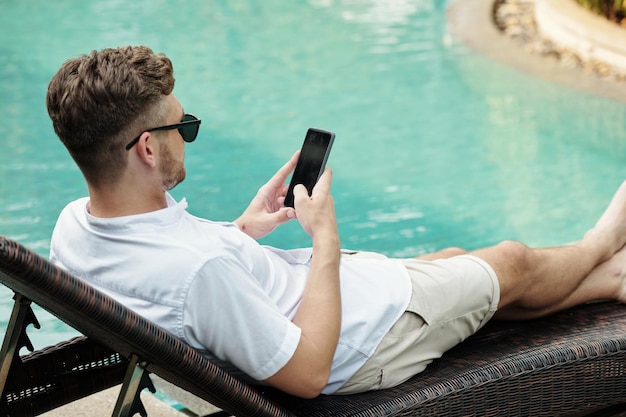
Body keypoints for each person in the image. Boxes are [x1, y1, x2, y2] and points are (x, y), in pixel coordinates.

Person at [47, 45, 626, 399]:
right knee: (513, 260)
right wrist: (325, 239)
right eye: (184, 127)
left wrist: (243, 230)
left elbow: (179, 279)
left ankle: (612, 280)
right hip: (358, 346)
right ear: (147, 149)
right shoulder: (201, 275)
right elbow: (307, 376)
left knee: (453, 260)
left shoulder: (75, 228)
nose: (190, 138)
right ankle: (604, 239)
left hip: (302, 299)